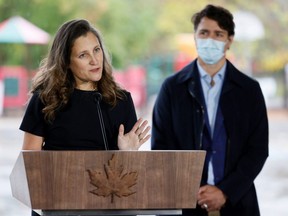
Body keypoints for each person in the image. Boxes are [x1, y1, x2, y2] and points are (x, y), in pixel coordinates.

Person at [19, 19, 151, 216]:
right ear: (66, 62)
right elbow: (31, 166)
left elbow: (127, 177)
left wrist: (129, 152)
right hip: (60, 205)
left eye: (97, 50)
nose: (95, 60)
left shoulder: (121, 100)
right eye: (83, 55)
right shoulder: (45, 99)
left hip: (111, 207)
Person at [152, 4, 268, 216]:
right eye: (204, 33)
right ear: (195, 37)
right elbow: (161, 148)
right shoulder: (172, 89)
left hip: (239, 202)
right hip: (185, 203)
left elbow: (258, 149)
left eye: (218, 34)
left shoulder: (249, 91)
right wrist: (193, 191)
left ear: (229, 40)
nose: (210, 40)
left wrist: (225, 191)